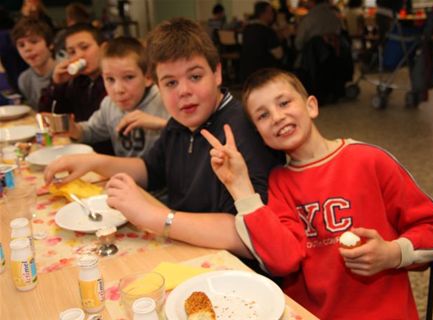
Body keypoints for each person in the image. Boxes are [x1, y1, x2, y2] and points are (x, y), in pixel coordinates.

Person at [200, 68, 433, 319]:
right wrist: (242, 188)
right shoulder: (279, 183)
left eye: (284, 103)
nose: (276, 117)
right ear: (260, 135)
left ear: (311, 106)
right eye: (262, 116)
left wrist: (393, 253)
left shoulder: (369, 160)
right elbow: (284, 260)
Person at [44, 18, 283, 257]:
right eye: (170, 83)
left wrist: (154, 216)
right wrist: (93, 161)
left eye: (195, 77)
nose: (184, 91)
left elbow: (250, 234)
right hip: (185, 248)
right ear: (158, 85)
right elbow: (149, 169)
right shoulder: (179, 123)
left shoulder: (244, 129)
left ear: (217, 73)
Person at [66, 36, 169, 158]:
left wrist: (163, 124)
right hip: (123, 173)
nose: (118, 90)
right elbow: (90, 131)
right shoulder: (108, 104)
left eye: (129, 77)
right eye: (110, 79)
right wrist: (73, 128)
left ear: (148, 77)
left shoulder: (164, 100)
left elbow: (192, 135)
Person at [39, 23, 113, 154]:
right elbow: (49, 115)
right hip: (80, 148)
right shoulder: (76, 82)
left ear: (104, 48)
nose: (79, 56)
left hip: (106, 153)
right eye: (72, 52)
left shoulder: (115, 82)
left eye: (84, 47)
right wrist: (57, 85)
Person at [11, 17, 55, 110]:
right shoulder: (24, 79)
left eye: (34, 42)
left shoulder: (66, 72)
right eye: (21, 45)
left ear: (50, 44)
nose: (27, 49)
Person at [240, 1, 283, 82]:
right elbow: (279, 55)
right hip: (265, 74)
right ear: (263, 13)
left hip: (247, 73)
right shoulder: (267, 31)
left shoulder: (246, 29)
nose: (273, 14)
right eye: (270, 12)